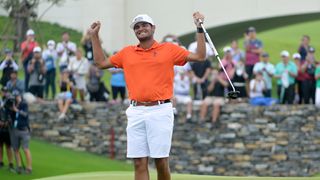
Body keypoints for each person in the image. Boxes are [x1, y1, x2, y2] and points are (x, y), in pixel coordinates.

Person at [89, 12, 206, 180]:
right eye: (137, 27)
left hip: (160, 109)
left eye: (144, 25)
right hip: (136, 111)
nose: (140, 28)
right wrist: (94, 36)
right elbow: (101, 63)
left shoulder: (168, 49)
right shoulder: (127, 52)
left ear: (153, 28)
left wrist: (199, 28)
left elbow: (200, 56)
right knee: (138, 162)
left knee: (160, 161)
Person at [11, 91, 32, 174]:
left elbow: (25, 114)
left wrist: (16, 110)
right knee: (15, 149)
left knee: (26, 149)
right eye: (15, 96)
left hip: (24, 130)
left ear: (19, 96)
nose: (16, 97)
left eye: (16, 96)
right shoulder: (14, 104)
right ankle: (19, 166)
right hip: (15, 129)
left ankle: (29, 167)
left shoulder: (24, 104)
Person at [188, 35, 213, 101]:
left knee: (205, 87)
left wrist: (203, 78)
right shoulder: (192, 45)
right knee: (195, 86)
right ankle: (195, 98)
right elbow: (191, 70)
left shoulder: (206, 45)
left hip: (204, 72)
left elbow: (208, 68)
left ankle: (205, 98)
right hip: (196, 74)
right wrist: (196, 78)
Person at [0, 88, 14, 171]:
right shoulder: (1, 102)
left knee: (8, 147)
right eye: (3, 91)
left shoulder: (10, 103)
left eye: (6, 91)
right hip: (0, 129)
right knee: (0, 146)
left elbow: (12, 115)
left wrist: (8, 122)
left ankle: (11, 162)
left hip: (8, 129)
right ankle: (1, 161)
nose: (4, 93)